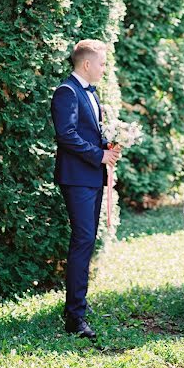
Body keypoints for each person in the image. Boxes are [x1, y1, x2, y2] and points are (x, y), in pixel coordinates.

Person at [51, 39, 120, 338]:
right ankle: (74, 316)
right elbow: (65, 135)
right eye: (102, 63)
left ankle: (77, 303)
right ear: (87, 64)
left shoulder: (90, 93)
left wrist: (109, 145)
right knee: (82, 240)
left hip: (91, 177)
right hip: (77, 177)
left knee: (87, 240)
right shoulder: (66, 92)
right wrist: (98, 155)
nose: (105, 69)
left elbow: (87, 133)